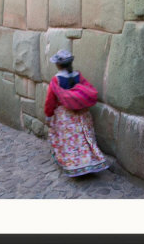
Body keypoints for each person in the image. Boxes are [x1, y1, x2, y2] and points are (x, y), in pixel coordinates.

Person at [44, 49, 109, 177]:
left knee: (69, 142)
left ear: (58, 65)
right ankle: (88, 162)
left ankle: (73, 165)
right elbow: (87, 89)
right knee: (83, 139)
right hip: (82, 114)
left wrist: (48, 115)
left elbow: (50, 101)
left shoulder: (56, 80)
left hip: (65, 116)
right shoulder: (78, 76)